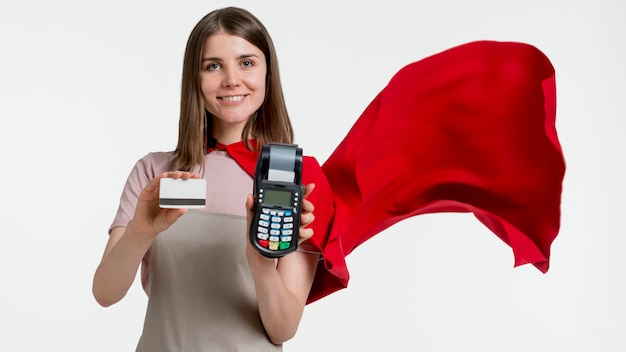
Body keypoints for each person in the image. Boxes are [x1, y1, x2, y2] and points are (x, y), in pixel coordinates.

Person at [92, 7, 334, 351]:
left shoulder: (299, 178)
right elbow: (105, 293)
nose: (231, 79)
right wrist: (140, 233)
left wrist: (261, 263)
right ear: (195, 77)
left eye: (247, 62)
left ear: (268, 73)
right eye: (213, 65)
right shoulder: (156, 174)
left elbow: (282, 328)